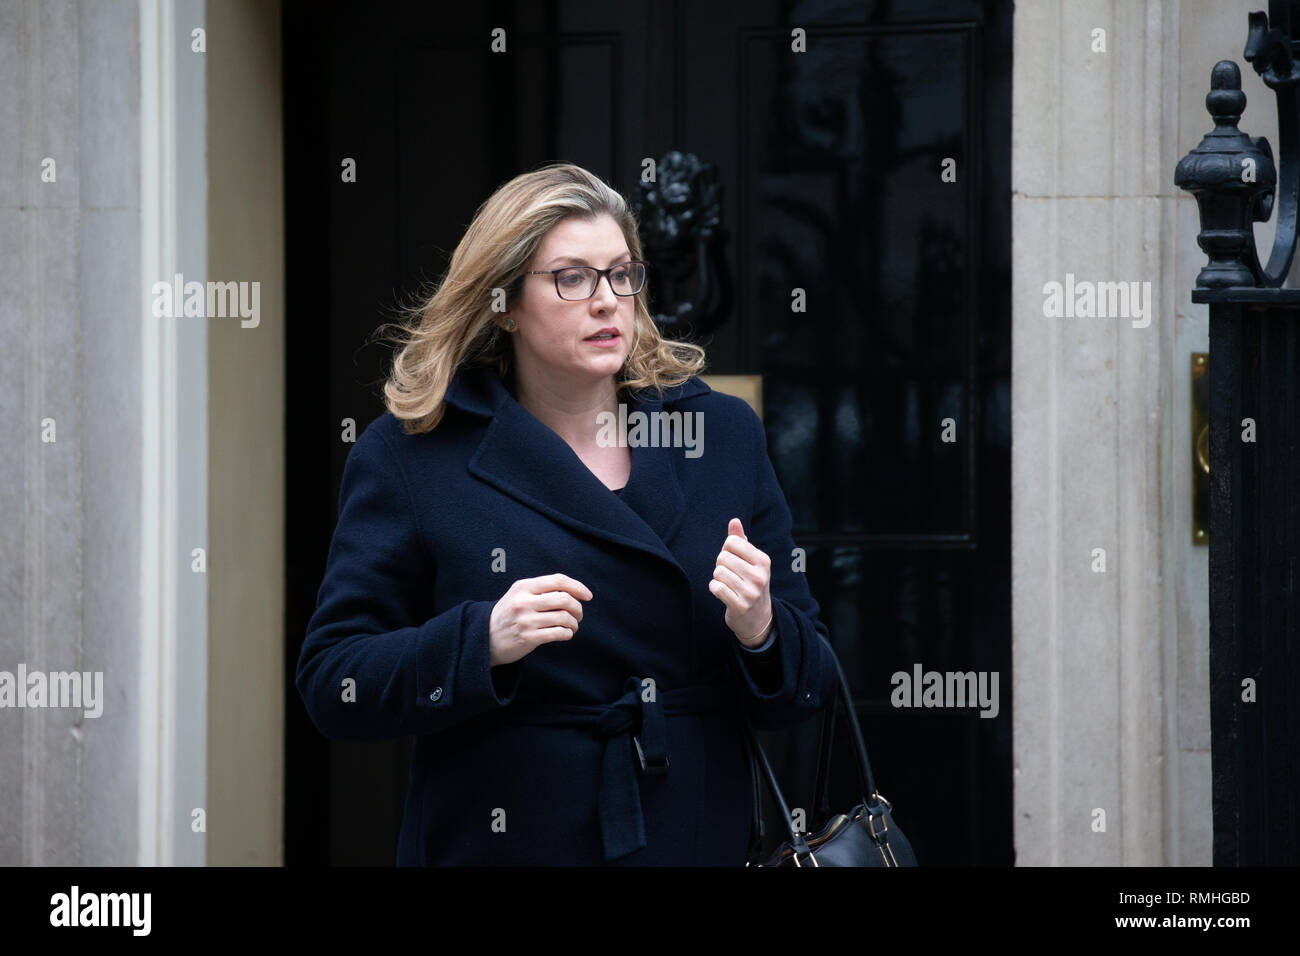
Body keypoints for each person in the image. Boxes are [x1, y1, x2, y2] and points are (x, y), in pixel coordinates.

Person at [295, 162, 839, 865]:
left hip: (690, 833)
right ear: (503, 303)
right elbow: (334, 682)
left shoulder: (719, 435)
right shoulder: (415, 454)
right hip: (507, 838)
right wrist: (482, 640)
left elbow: (809, 687)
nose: (608, 300)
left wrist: (760, 628)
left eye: (622, 274)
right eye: (572, 278)